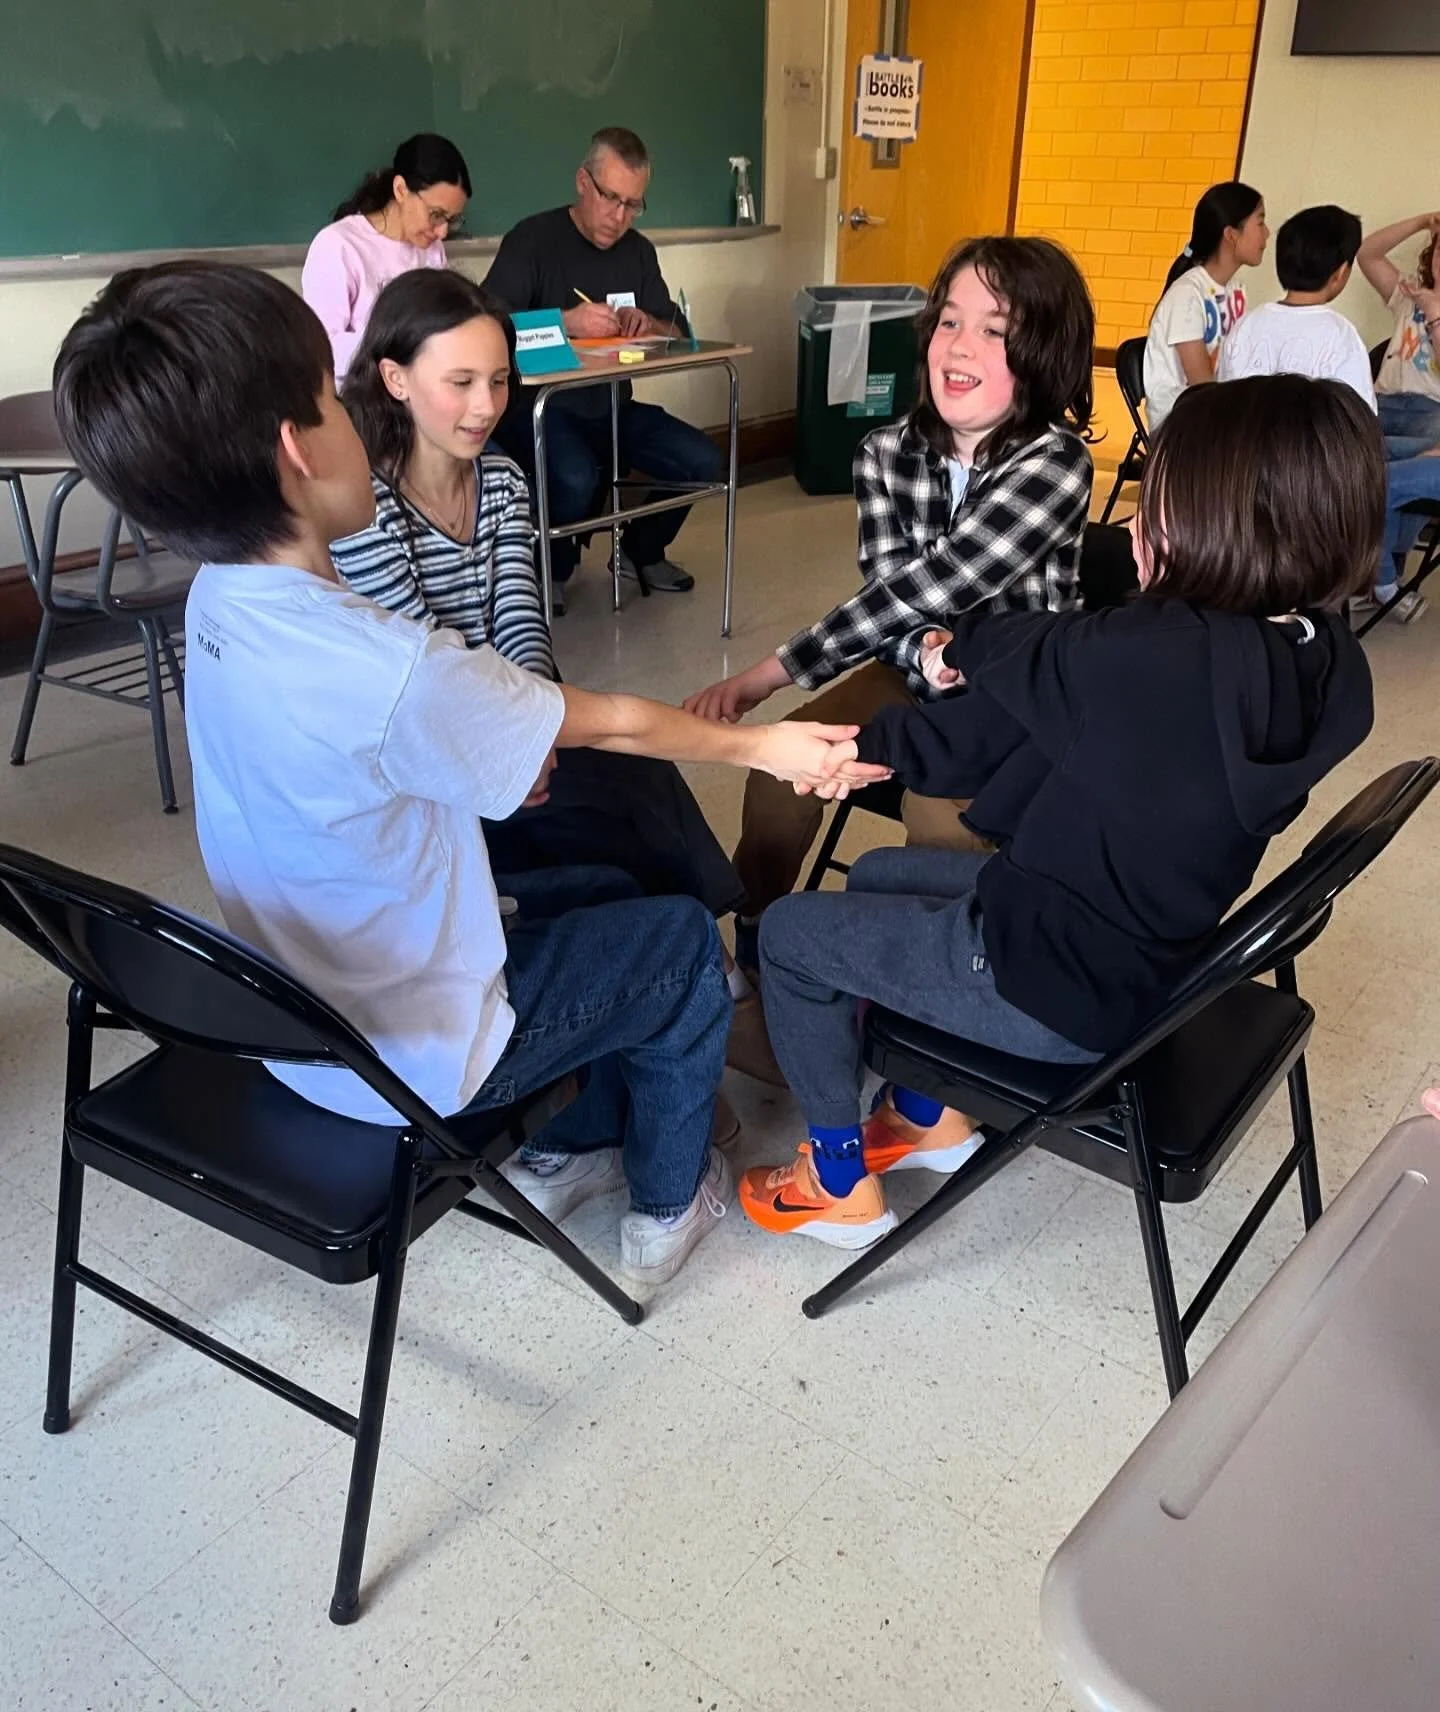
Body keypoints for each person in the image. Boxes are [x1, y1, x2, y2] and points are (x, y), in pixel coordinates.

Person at [51, 262, 886, 1284]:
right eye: (331, 395)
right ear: (294, 447)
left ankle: (566, 1146)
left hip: (296, 1013)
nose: (352, 413)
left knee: (606, 889)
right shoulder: (385, 664)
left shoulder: (218, 602)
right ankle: (670, 1203)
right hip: (406, 1054)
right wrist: (765, 745)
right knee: (670, 945)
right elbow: (612, 720)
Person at [736, 375, 1378, 1246]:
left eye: (1159, 502)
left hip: (1046, 985)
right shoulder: (1323, 662)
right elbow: (1029, 707)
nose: (1140, 524)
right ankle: (927, 1114)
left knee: (792, 938)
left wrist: (941, 653)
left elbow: (1013, 660)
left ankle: (838, 1178)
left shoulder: (1142, 658)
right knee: (884, 871)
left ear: (1213, 527)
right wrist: (890, 735)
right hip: (1150, 955)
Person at [330, 268, 781, 1086]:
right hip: (435, 753)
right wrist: (515, 743)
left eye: (499, 380)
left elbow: (522, 625)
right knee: (593, 807)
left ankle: (716, 981)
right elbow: (424, 671)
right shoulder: (363, 504)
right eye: (459, 381)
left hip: (508, 716)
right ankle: (696, 992)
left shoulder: (500, 479)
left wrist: (535, 733)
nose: (484, 404)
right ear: (395, 379)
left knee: (636, 769)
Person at [685, 235, 1095, 975]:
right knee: (781, 775)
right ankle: (758, 945)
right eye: (949, 321)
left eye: (995, 331)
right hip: (914, 675)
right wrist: (924, 659)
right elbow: (890, 596)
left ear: (1043, 354)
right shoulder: (884, 452)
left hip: (1018, 691)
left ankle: (913, 983)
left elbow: (938, 584)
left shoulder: (1055, 461)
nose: (960, 346)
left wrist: (765, 675)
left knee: (943, 818)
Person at [483, 126, 724, 610]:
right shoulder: (532, 240)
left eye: (633, 204)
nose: (619, 217)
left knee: (704, 461)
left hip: (612, 407)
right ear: (582, 181)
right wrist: (564, 322)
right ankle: (550, 566)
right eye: (611, 198)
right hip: (539, 411)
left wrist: (647, 320)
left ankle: (641, 550)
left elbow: (676, 329)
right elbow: (487, 325)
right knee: (574, 477)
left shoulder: (638, 252)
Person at [301, 133, 471, 383]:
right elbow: (322, 350)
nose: (443, 231)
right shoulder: (340, 246)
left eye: (452, 219)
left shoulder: (431, 249)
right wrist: (400, 341)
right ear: (401, 190)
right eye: (436, 214)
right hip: (360, 401)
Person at [1218, 205, 1374, 406]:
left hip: (1241, 436)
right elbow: (1358, 416)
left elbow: (1223, 398)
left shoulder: (1245, 325)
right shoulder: (1342, 335)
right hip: (1307, 438)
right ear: (1341, 272)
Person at [1143, 182, 1268, 429]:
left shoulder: (1236, 291)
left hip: (1214, 413)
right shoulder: (1186, 295)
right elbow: (1202, 388)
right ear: (1231, 234)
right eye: (1260, 222)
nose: (1267, 233)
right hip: (1183, 426)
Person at [1357, 209, 1440, 453]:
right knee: (1340, 441)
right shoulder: (1409, 293)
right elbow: (1367, 254)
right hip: (1382, 403)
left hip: (1431, 410)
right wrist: (1422, 222)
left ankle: (1380, 460)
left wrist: (1434, 312)